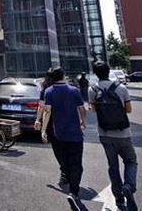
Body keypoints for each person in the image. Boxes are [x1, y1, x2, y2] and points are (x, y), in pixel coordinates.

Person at [91, 61, 138, 211]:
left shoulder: (93, 89)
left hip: (104, 133)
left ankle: (118, 195)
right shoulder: (121, 88)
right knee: (130, 161)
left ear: (95, 73)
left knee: (113, 165)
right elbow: (129, 110)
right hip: (123, 133)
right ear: (108, 70)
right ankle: (129, 186)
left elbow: (94, 110)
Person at [41, 67, 86, 210]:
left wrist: (43, 130)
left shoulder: (48, 91)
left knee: (66, 162)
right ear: (63, 76)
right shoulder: (74, 90)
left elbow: (47, 112)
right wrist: (83, 122)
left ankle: (70, 186)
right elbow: (82, 108)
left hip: (59, 134)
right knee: (76, 164)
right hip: (75, 134)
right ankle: (74, 192)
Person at [34, 68, 67, 187]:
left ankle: (64, 171)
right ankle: (67, 170)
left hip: (52, 123)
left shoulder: (46, 90)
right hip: (66, 121)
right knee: (66, 147)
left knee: (57, 149)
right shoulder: (66, 88)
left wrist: (38, 120)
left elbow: (42, 107)